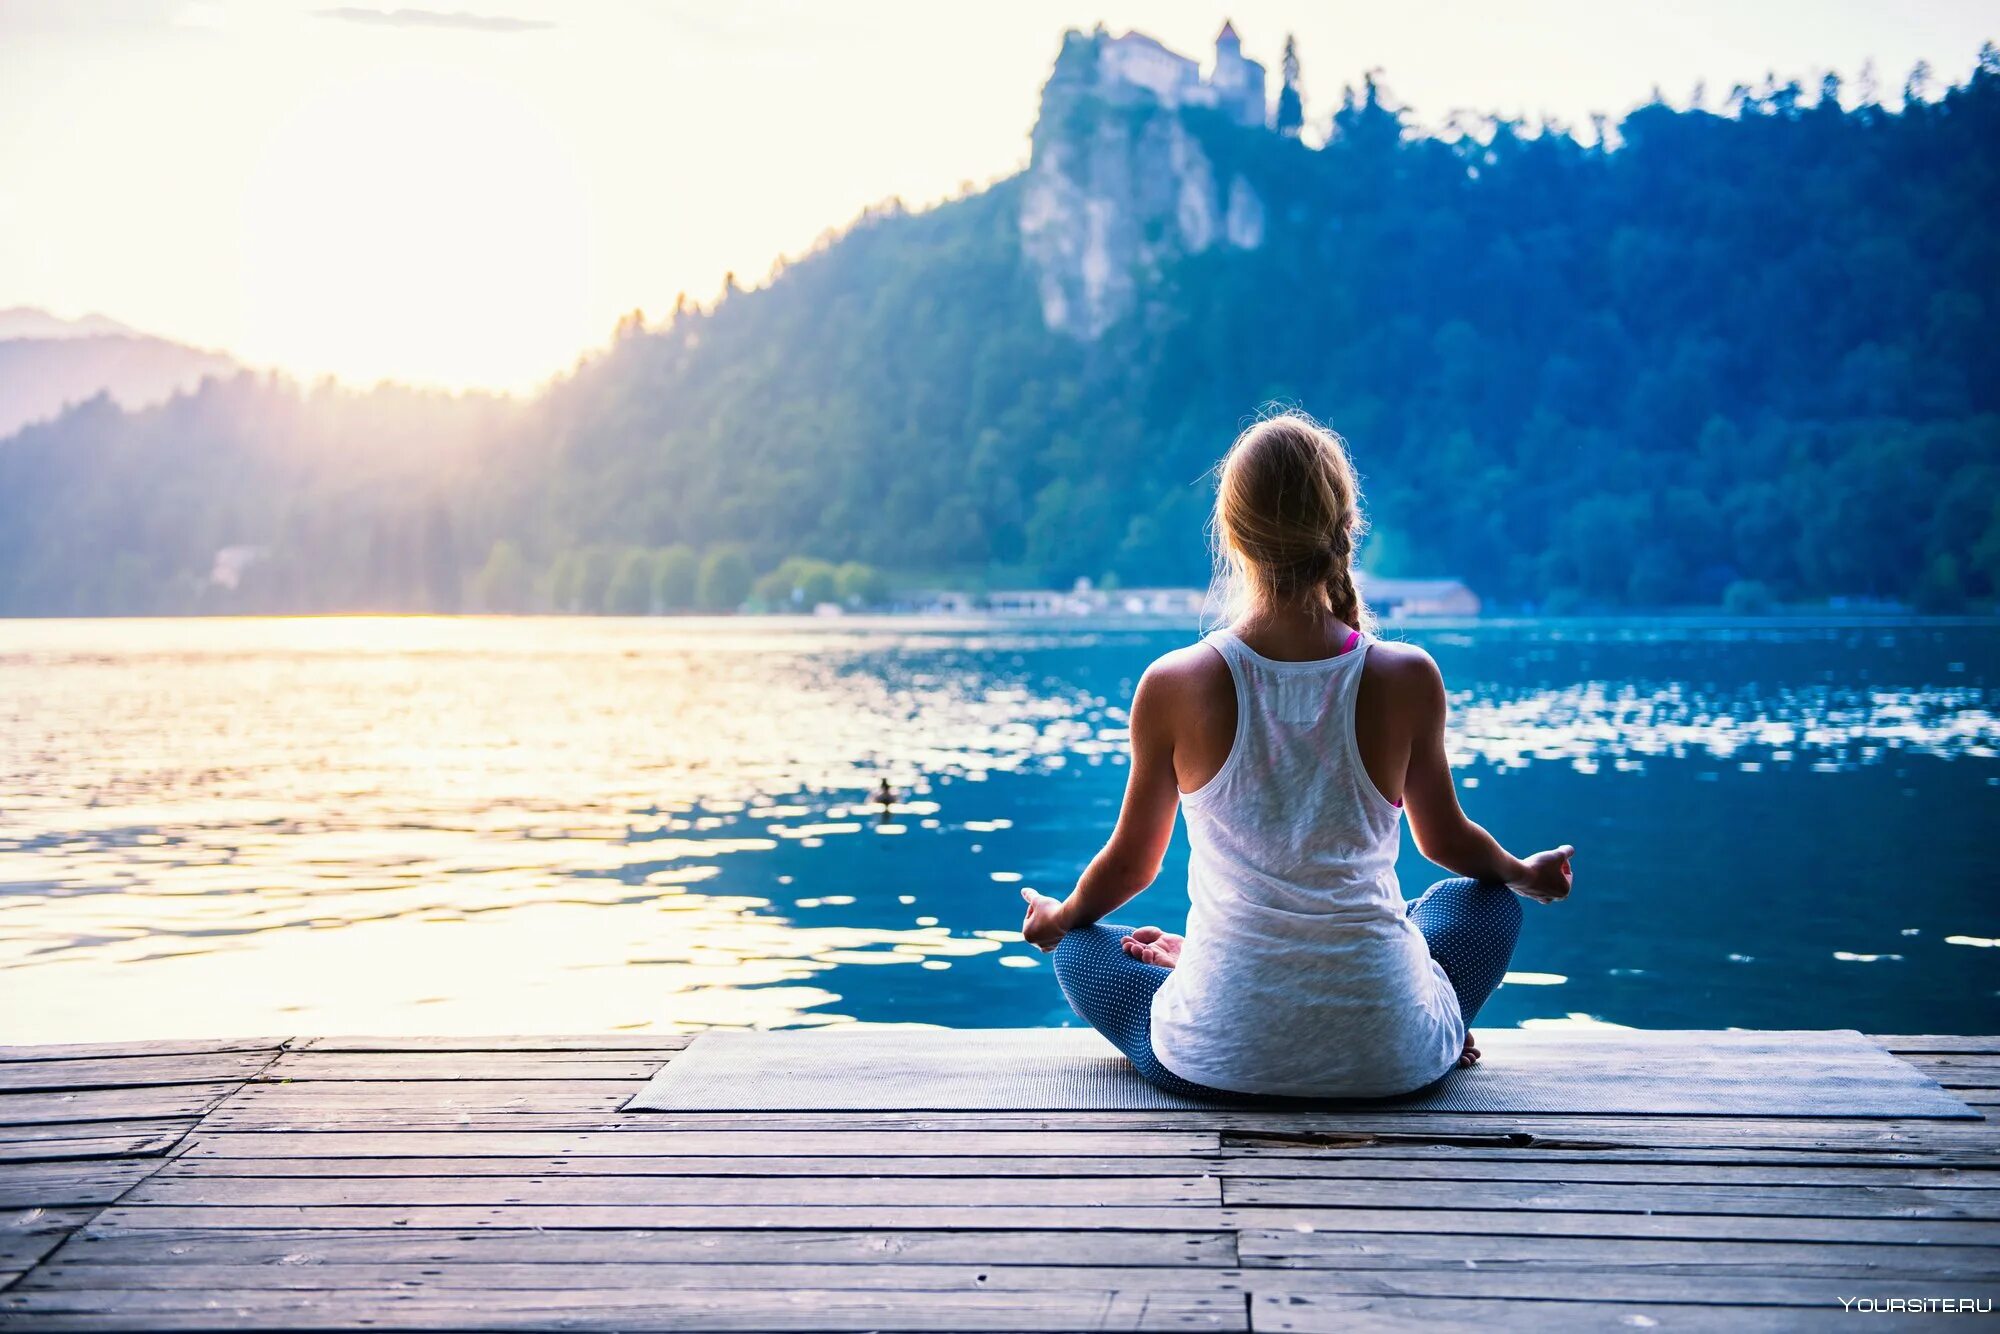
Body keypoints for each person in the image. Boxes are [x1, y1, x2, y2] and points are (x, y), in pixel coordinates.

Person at [1020, 411, 1573, 1100]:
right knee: (1485, 900)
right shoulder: (1407, 676)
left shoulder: (1173, 684)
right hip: (1391, 1062)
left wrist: (1059, 917)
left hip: (1218, 1058)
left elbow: (1133, 866)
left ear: (1232, 535)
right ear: (1346, 528)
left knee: (1081, 942)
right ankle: (1426, 1027)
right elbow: (1447, 842)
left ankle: (1208, 976)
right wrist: (1523, 872)